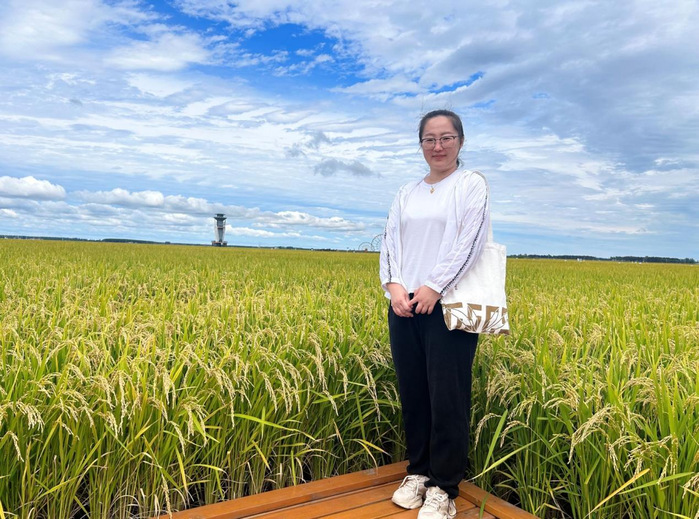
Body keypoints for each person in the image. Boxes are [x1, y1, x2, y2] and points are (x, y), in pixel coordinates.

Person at [379, 109, 489, 519]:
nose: (438, 146)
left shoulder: (470, 184)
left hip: (449, 304)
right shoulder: (406, 191)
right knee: (414, 393)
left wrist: (435, 286)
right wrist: (394, 286)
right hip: (404, 305)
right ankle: (419, 472)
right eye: (429, 139)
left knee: (448, 397)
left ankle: (444, 487)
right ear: (421, 144)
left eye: (446, 138)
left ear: (460, 140)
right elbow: (390, 240)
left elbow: (471, 241)